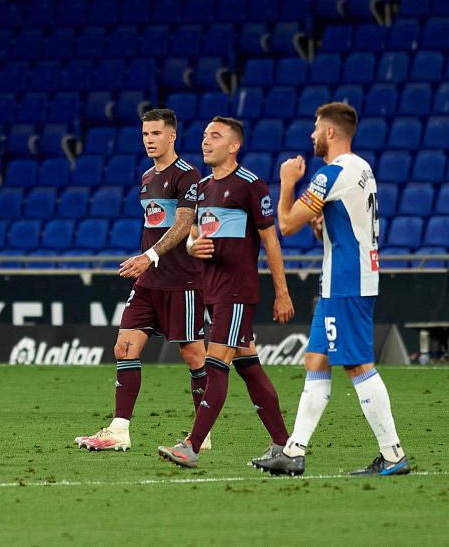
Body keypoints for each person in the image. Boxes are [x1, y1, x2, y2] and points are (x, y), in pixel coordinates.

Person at [254, 102, 409, 477]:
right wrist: (322, 227)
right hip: (347, 278)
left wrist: (287, 181)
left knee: (357, 364)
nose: (311, 135)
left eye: (315, 128)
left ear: (330, 133)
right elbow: (338, 224)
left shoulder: (332, 172)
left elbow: (287, 224)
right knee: (316, 359)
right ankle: (294, 451)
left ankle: (393, 455)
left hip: (346, 281)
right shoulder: (363, 169)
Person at [157, 116, 295, 469]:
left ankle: (192, 445)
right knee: (249, 367)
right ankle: (284, 445)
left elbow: (270, 241)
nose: (206, 141)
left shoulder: (251, 185)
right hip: (211, 291)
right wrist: (190, 246)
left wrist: (282, 292)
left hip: (236, 291)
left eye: (215, 136)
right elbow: (191, 236)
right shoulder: (202, 187)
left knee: (215, 364)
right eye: (204, 135)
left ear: (234, 145)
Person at [75, 109, 209, 452]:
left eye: (155, 133)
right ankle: (120, 429)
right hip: (149, 283)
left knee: (194, 356)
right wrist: (147, 260)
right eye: (145, 134)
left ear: (172, 136)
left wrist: (150, 256)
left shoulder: (187, 174)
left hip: (182, 284)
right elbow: (153, 227)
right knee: (124, 347)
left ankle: (203, 432)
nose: (149, 140)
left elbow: (182, 224)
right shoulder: (147, 177)